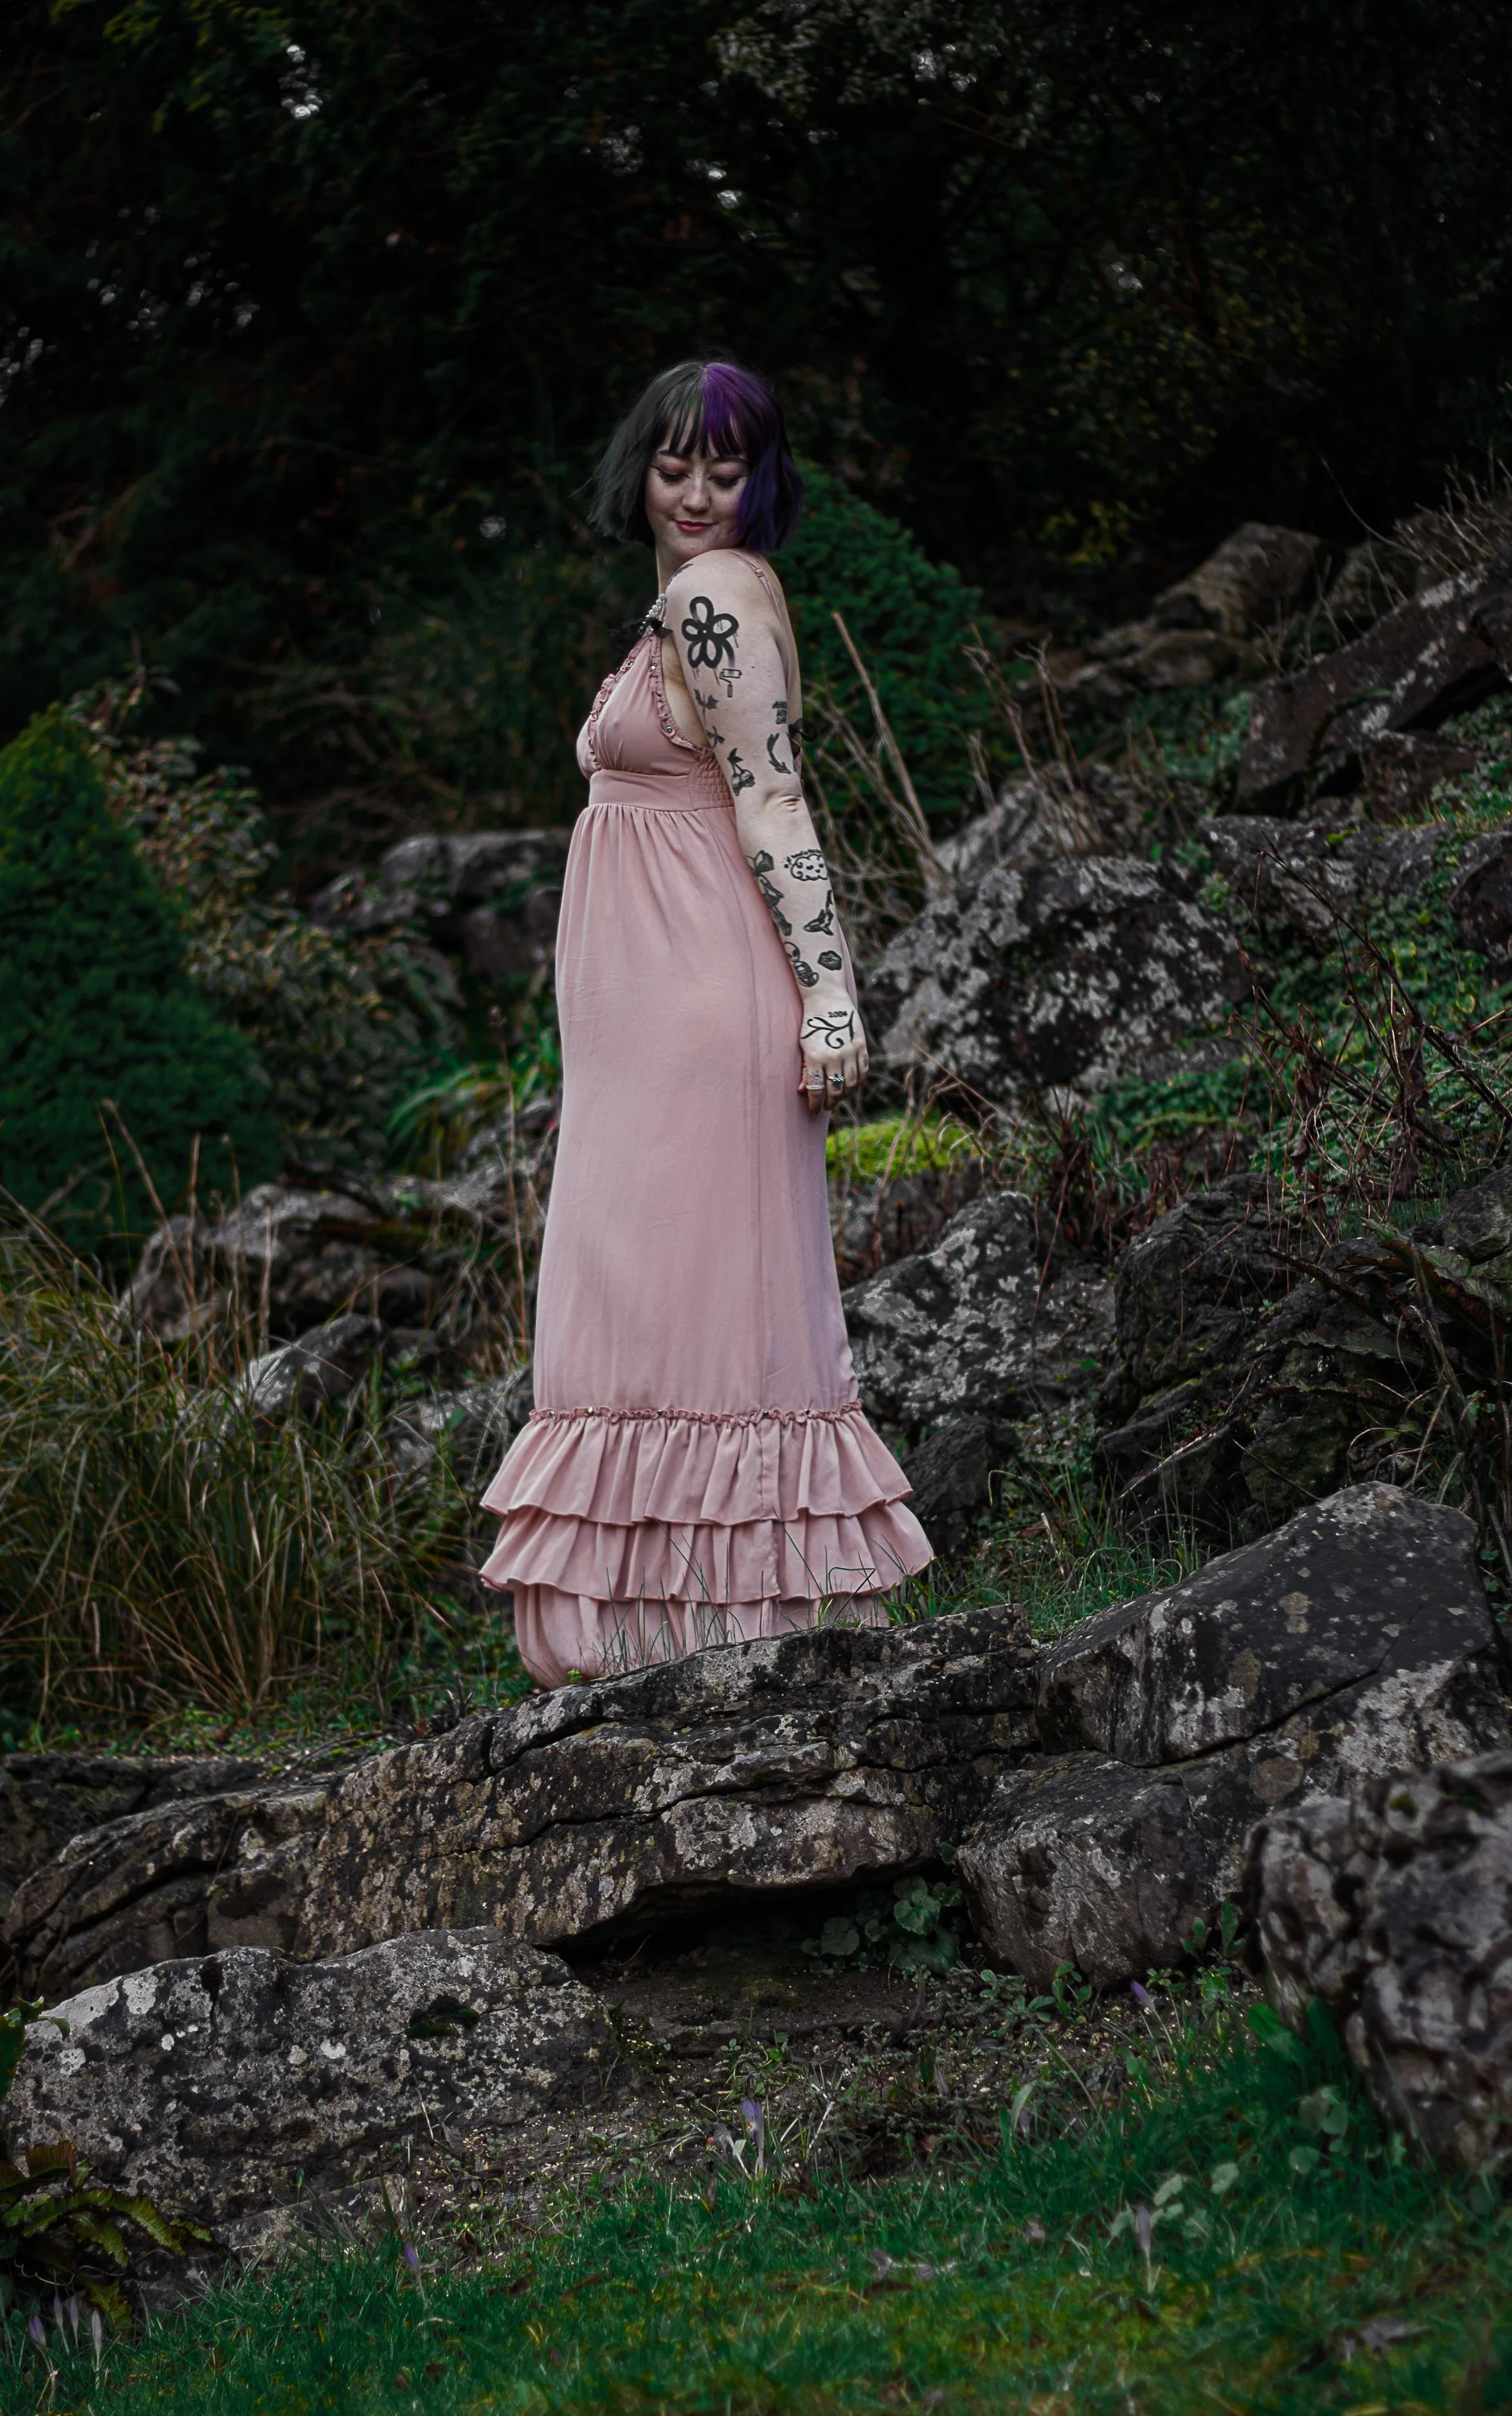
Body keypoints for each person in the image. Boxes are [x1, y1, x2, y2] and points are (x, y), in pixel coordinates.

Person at [479, 358, 932, 1685]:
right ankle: (676, 1624)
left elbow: (774, 797)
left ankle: (706, 1628)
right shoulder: (686, 600)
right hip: (645, 1027)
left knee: (686, 1306)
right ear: (642, 466)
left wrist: (832, 993)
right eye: (673, 466)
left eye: (723, 472)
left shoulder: (716, 595)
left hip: (695, 1008)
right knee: (647, 1301)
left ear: (760, 480)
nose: (692, 493)